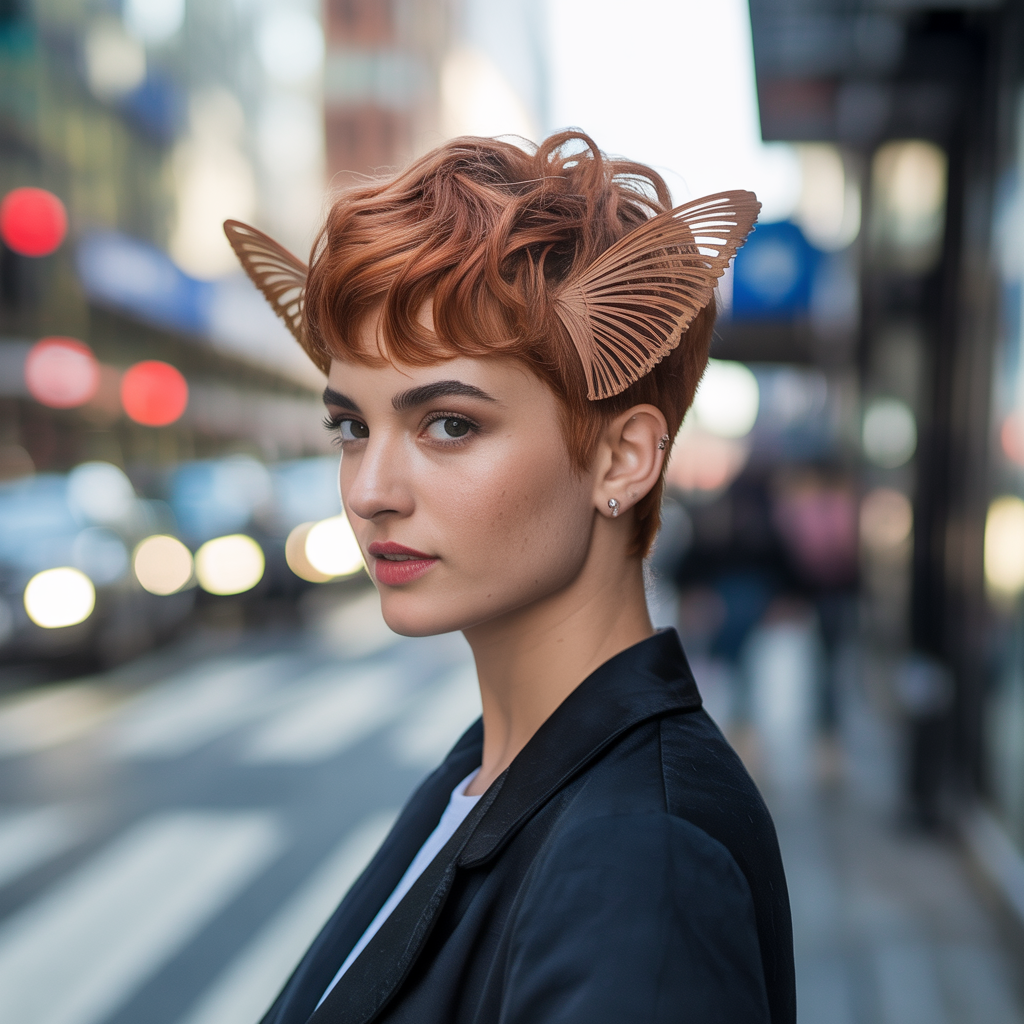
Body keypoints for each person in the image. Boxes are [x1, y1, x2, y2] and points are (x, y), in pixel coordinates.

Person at [224, 131, 794, 1024]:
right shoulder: (490, 776)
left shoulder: (641, 864)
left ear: (622, 458)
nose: (370, 493)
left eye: (448, 424)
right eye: (351, 427)